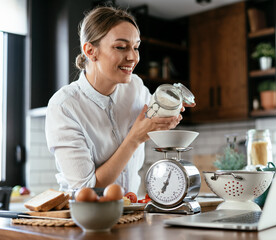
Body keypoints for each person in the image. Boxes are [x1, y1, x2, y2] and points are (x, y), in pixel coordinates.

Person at [45, 6, 195, 194]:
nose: (133, 57)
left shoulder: (136, 87)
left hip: (130, 209)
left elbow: (154, 121)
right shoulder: (64, 106)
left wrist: (167, 117)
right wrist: (134, 138)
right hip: (84, 215)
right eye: (121, 47)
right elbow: (86, 189)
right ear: (90, 51)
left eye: (136, 47)